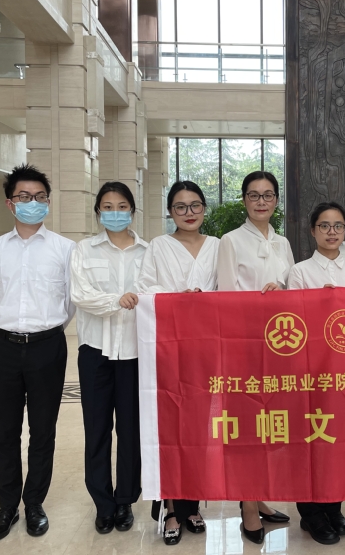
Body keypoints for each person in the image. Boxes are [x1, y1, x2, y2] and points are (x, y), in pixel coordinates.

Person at [0, 164, 76, 541]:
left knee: (42, 429)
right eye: (24, 196)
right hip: (2, 346)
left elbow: (69, 301)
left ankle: (34, 502)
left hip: (47, 346)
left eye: (39, 197)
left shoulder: (64, 249)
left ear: (48, 203)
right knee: (4, 430)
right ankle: (7, 506)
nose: (32, 202)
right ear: (10, 203)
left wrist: (47, 331)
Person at [136, 180, 219, 545]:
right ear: (170, 211)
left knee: (199, 428)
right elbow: (145, 286)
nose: (189, 212)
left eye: (195, 205)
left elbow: (229, 289)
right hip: (168, 345)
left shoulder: (218, 246)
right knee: (170, 426)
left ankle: (193, 504)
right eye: (180, 206)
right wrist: (177, 297)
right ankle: (171, 507)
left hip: (206, 346)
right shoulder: (158, 246)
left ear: (204, 208)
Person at [216, 171, 293, 544]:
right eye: (253, 195)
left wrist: (283, 291)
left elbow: (293, 290)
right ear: (244, 200)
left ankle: (260, 495)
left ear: (276, 200)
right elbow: (226, 297)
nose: (261, 202)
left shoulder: (283, 243)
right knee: (246, 426)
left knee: (270, 425)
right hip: (245, 347)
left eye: (268, 195)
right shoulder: (230, 241)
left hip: (279, 348)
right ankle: (247, 505)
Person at [70, 182, 147, 535]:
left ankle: (125, 500)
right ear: (98, 211)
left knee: (130, 430)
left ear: (132, 210)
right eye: (107, 207)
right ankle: (102, 503)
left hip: (135, 351)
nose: (115, 213)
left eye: (122, 206)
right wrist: (118, 300)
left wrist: (135, 298)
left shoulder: (148, 251)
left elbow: (154, 292)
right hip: (95, 352)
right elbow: (80, 294)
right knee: (97, 429)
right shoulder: (84, 250)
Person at [288, 202, 345, 545]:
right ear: (312, 230)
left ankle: (333, 506)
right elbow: (295, 319)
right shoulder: (299, 271)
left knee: (338, 438)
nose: (332, 232)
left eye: (338, 226)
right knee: (310, 438)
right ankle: (311, 512)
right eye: (325, 226)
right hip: (311, 369)